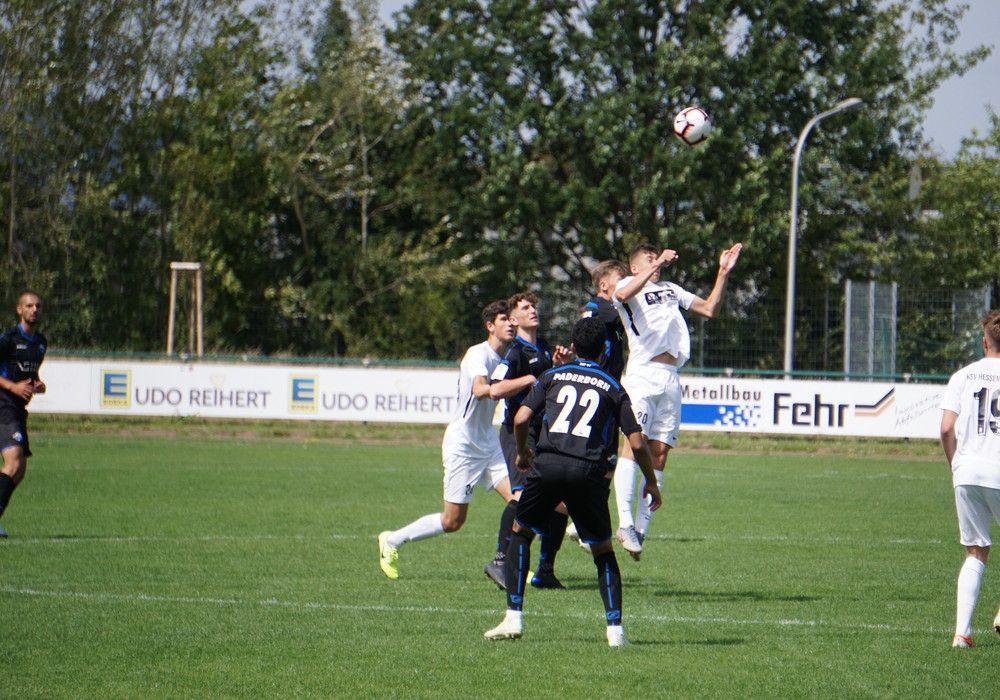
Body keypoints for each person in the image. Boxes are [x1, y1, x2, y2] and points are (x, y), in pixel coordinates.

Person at [483, 316, 662, 646]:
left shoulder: (551, 376)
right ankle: (615, 632)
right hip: (588, 472)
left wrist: (523, 452)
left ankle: (513, 617)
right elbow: (636, 442)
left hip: (548, 466)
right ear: (605, 349)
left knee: (521, 534)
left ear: (574, 347)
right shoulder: (613, 387)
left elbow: (521, 417)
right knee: (603, 551)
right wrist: (650, 482)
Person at [612, 242, 742, 560]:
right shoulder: (626, 287)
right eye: (648, 259)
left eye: (656, 258)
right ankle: (625, 523)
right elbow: (624, 295)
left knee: (659, 457)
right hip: (642, 375)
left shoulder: (670, 288)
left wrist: (722, 273)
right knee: (633, 443)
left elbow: (710, 309)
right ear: (634, 267)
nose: (655, 263)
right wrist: (656, 266)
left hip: (671, 378)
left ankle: (640, 530)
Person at [377, 300, 517, 579]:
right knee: (453, 522)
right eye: (504, 319)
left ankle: (508, 562)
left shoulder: (508, 357)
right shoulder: (477, 354)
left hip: (489, 444)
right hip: (463, 446)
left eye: (512, 319)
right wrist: (521, 383)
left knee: (520, 501)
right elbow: (479, 390)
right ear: (490, 326)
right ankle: (392, 540)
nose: (511, 323)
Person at [484, 292, 572, 590]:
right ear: (513, 319)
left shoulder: (544, 347)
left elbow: (548, 383)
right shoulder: (515, 353)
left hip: (544, 431)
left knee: (560, 504)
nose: (533, 310)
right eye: (525, 308)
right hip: (517, 432)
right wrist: (528, 380)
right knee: (521, 497)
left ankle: (545, 571)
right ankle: (499, 561)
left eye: (534, 305)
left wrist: (560, 365)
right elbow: (495, 389)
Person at [940, 310, 1000, 648]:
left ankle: (962, 633)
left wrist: (955, 464)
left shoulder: (963, 376)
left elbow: (947, 427)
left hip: (967, 470)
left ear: (984, 342)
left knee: (975, 552)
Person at [0, 291, 48, 538]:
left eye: (38, 306)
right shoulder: (7, 340)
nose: (35, 310)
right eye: (29, 305)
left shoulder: (40, 343)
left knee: (19, 470)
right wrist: (12, 387)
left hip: (18, 410)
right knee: (14, 460)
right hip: (3, 404)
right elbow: (9, 380)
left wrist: (38, 385)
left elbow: (31, 377)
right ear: (19, 310)